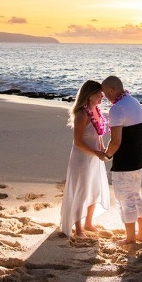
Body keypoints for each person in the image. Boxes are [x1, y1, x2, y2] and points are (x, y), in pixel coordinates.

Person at [99, 75, 142, 245]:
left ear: (112, 90)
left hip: (125, 162)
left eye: (105, 94)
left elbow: (115, 141)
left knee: (125, 199)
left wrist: (106, 155)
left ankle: (130, 237)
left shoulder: (117, 109)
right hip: (138, 159)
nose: (105, 97)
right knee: (136, 196)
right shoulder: (134, 102)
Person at [59, 80, 111, 238]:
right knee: (81, 191)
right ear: (89, 95)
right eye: (99, 94)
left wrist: (102, 149)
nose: (102, 97)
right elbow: (78, 142)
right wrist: (96, 152)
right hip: (82, 159)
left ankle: (89, 222)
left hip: (95, 157)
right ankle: (78, 228)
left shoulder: (97, 111)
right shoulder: (82, 114)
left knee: (94, 189)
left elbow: (99, 134)